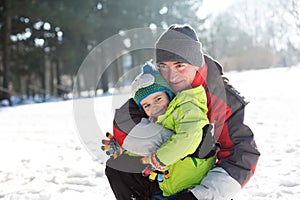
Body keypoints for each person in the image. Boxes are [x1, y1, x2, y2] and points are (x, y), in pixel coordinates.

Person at [105, 24, 260, 200]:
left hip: (200, 184)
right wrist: (127, 144)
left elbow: (243, 157)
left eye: (180, 65)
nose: (171, 76)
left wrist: (197, 196)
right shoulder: (156, 87)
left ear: (196, 63)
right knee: (119, 167)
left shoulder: (223, 99)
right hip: (163, 178)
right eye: (164, 66)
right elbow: (126, 119)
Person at [106, 61, 216, 197]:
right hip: (169, 189)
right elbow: (150, 144)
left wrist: (159, 159)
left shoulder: (186, 108)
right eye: (147, 105)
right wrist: (125, 148)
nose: (154, 107)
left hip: (193, 188)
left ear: (169, 94)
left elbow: (188, 138)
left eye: (158, 99)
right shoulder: (158, 121)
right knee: (117, 166)